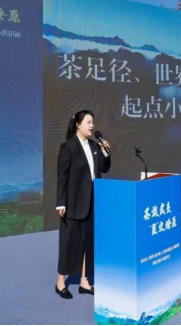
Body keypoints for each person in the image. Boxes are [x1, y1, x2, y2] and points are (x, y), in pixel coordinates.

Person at [55, 110, 111, 300]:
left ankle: (84, 282)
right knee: (69, 243)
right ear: (78, 125)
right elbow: (62, 177)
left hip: (92, 202)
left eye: (93, 122)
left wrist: (105, 152)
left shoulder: (95, 146)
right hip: (73, 204)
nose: (92, 126)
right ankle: (60, 282)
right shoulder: (68, 147)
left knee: (88, 243)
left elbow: (104, 168)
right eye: (88, 122)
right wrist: (61, 202)